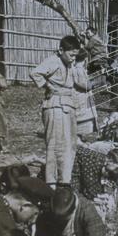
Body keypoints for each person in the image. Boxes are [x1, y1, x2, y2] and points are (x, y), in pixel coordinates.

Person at [31, 35, 89, 187]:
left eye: (75, 56)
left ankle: (65, 179)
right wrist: (48, 86)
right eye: (71, 55)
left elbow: (77, 82)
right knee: (55, 143)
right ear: (61, 50)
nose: (72, 59)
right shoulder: (53, 61)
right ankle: (51, 180)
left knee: (69, 143)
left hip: (68, 105)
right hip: (55, 106)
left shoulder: (69, 63)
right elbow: (35, 73)